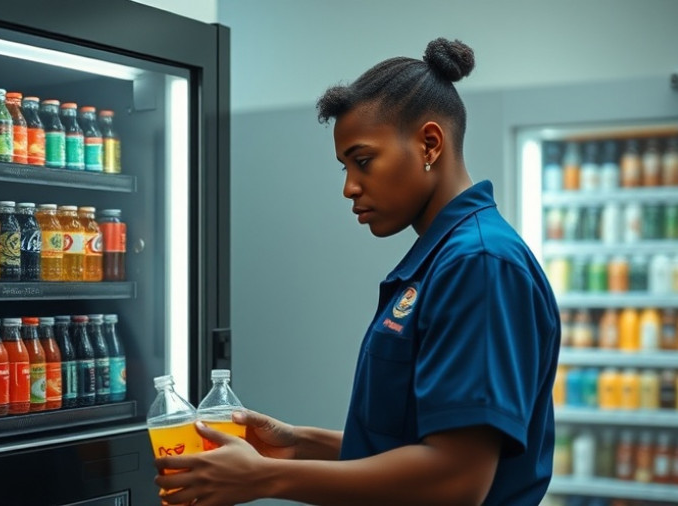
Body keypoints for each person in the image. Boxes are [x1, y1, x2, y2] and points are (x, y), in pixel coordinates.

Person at [155, 38, 561, 506]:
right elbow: (412, 445)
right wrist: (298, 444)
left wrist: (264, 479)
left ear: (430, 143)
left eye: (363, 161)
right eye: (345, 166)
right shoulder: (443, 260)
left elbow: (456, 479)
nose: (350, 187)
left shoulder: (479, 264)